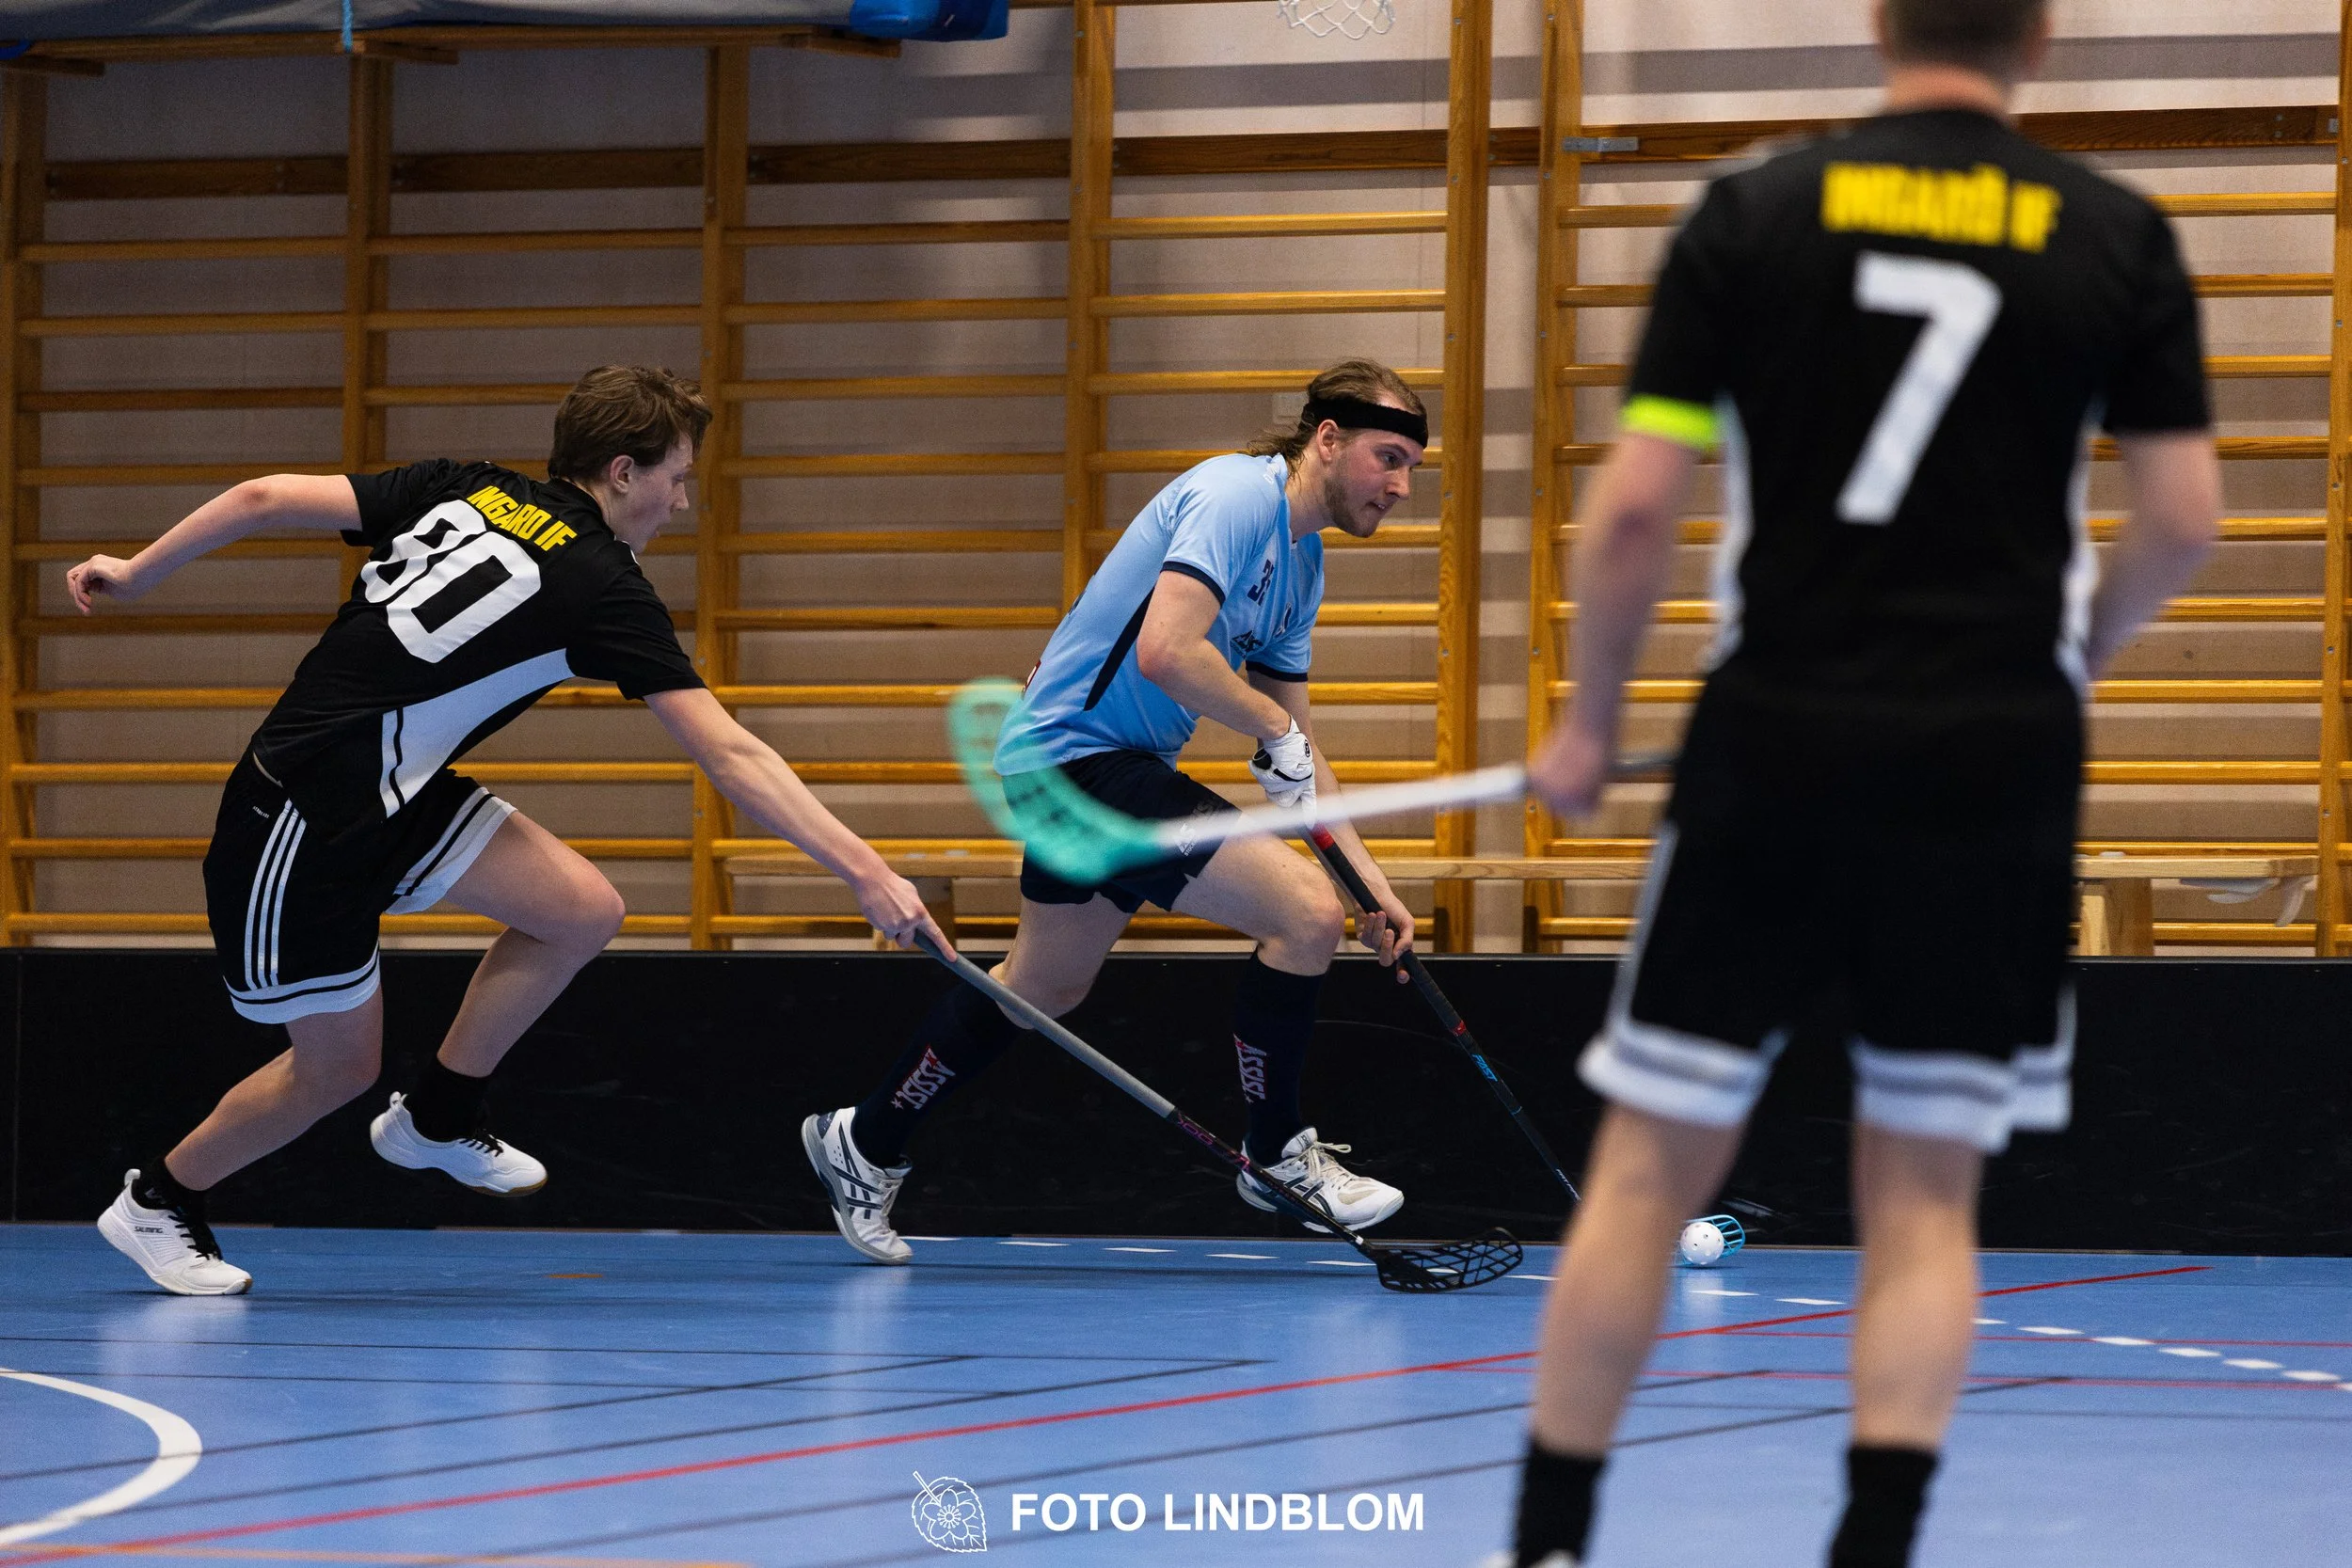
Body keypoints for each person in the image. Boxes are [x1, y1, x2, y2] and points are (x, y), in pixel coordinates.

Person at [1497, 3, 2220, 1564]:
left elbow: (1635, 511)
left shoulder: (1752, 209)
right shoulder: (2118, 234)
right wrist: (2069, 656)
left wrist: (1586, 725)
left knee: (1647, 1170)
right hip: (1993, 757)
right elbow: (2181, 518)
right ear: (2041, 35)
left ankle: (1548, 1538)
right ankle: (1874, 1548)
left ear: (1881, 18)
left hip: (1778, 732)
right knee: (1924, 1196)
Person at [74, 365, 950, 1296]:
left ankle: (439, 1114)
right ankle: (159, 1198)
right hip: (302, 817)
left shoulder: (467, 483)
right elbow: (730, 753)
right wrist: (865, 871)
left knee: (579, 909)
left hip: (400, 792)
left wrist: (137, 571)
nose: (681, 502)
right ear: (622, 471)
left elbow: (264, 495)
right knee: (335, 1071)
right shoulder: (603, 585)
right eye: (675, 478)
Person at [803, 358, 1428, 1263]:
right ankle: (1276, 1155)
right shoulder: (1235, 497)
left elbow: (1300, 743)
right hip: (1078, 762)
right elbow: (1166, 652)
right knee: (1303, 914)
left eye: (1411, 467)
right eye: (1388, 458)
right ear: (1326, 440)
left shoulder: (1302, 565)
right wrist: (1272, 734)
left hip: (1087, 773)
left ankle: (863, 1141)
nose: (1401, 486)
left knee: (1042, 985)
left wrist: (1369, 882)